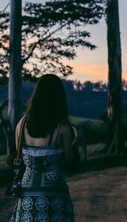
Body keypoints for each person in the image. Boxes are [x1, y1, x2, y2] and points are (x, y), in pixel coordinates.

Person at [10, 74, 78, 222]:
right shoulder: (63, 128)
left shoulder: (21, 125)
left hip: (27, 193)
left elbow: (18, 157)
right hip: (54, 194)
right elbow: (70, 161)